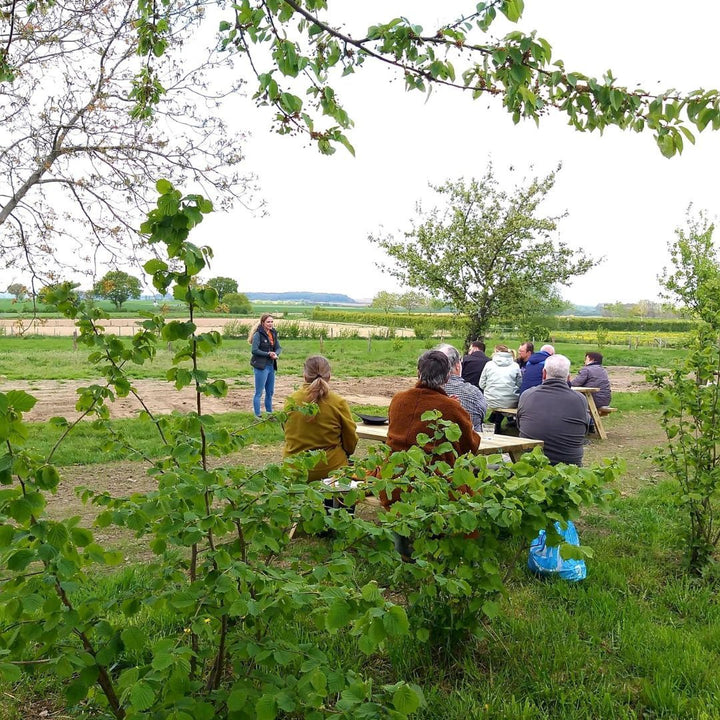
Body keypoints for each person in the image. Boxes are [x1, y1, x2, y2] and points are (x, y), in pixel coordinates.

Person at [387, 350, 480, 463]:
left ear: (418, 373)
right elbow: (470, 446)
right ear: (447, 377)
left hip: (392, 468)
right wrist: (454, 409)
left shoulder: (398, 399)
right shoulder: (451, 407)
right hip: (432, 474)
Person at [283, 355, 358, 482]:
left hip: (295, 468)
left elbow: (287, 432)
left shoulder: (291, 401)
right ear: (329, 375)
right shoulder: (338, 402)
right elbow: (350, 440)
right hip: (331, 470)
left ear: (304, 375)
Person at [517, 354, 589, 466]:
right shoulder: (580, 399)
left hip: (531, 465)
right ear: (568, 377)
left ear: (544, 373)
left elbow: (519, 425)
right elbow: (584, 430)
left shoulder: (527, 396)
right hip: (569, 469)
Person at [436, 343, 488, 431]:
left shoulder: (427, 391)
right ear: (457, 366)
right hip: (471, 441)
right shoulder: (474, 393)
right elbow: (482, 415)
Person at [478, 344, 522, 431]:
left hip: (491, 400)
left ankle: (495, 423)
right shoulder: (515, 365)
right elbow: (520, 384)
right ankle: (498, 423)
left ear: (495, 353)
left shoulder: (489, 364)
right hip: (510, 401)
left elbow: (481, 384)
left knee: (498, 402)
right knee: (502, 402)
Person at [248, 313, 281, 417]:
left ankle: (269, 414)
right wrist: (268, 354)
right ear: (263, 323)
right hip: (261, 367)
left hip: (271, 366)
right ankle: (257, 416)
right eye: (268, 322)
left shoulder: (273, 333)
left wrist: (276, 353)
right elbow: (254, 350)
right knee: (259, 393)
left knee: (270, 392)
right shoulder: (258, 334)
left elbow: (279, 347)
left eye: (272, 321)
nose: (270, 324)